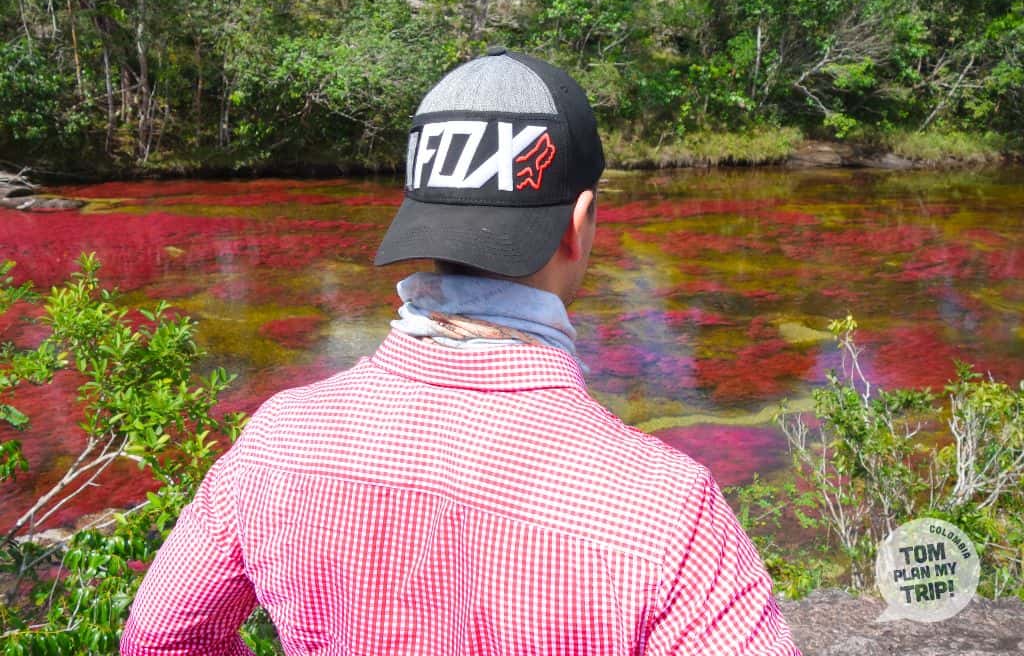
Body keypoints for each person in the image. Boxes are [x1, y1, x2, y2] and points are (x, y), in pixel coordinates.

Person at [120, 48, 801, 656]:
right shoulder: (664, 509)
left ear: (419, 214)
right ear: (579, 223)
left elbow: (160, 639)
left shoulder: (278, 437)